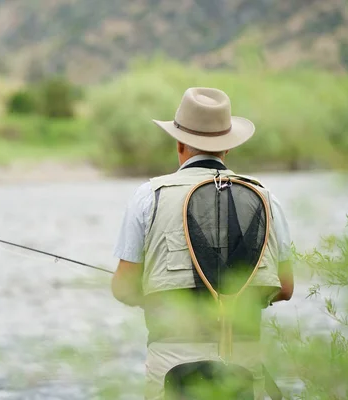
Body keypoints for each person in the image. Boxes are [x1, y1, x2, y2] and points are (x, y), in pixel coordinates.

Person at [111, 87, 294, 400]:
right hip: (244, 356)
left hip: (172, 357)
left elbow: (124, 287)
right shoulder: (266, 199)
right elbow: (285, 287)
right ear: (227, 148)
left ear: (179, 144)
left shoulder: (149, 196)